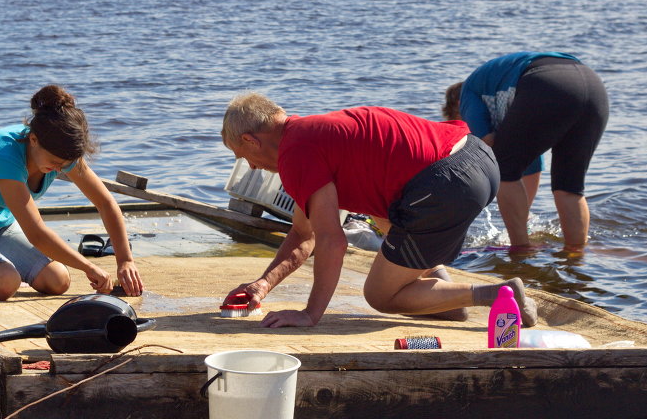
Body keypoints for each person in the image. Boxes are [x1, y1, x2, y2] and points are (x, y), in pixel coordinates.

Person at [219, 93, 538, 329]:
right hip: (478, 157)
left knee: (380, 296)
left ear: (250, 139)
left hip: (445, 181)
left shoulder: (295, 153)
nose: (249, 165)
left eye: (241, 155)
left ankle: (498, 294)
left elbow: (332, 241)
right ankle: (446, 300)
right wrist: (262, 284)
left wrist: (310, 314)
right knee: (385, 218)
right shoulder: (309, 135)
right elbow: (305, 233)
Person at [0, 84, 144, 301]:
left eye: (65, 164)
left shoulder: (60, 150)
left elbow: (105, 203)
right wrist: (89, 267)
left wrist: (125, 260)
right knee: (6, 283)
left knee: (58, 281)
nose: (60, 169)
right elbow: (36, 233)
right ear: (34, 140)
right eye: (55, 163)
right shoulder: (4, 155)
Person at [444, 51, 609, 252]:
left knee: (503, 167)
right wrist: (523, 214)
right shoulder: (498, 90)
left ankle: (521, 250)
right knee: (569, 186)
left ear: (459, 107)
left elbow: (487, 144)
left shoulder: (468, 92)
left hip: (545, 82)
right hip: (593, 85)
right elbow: (531, 162)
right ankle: (575, 255)